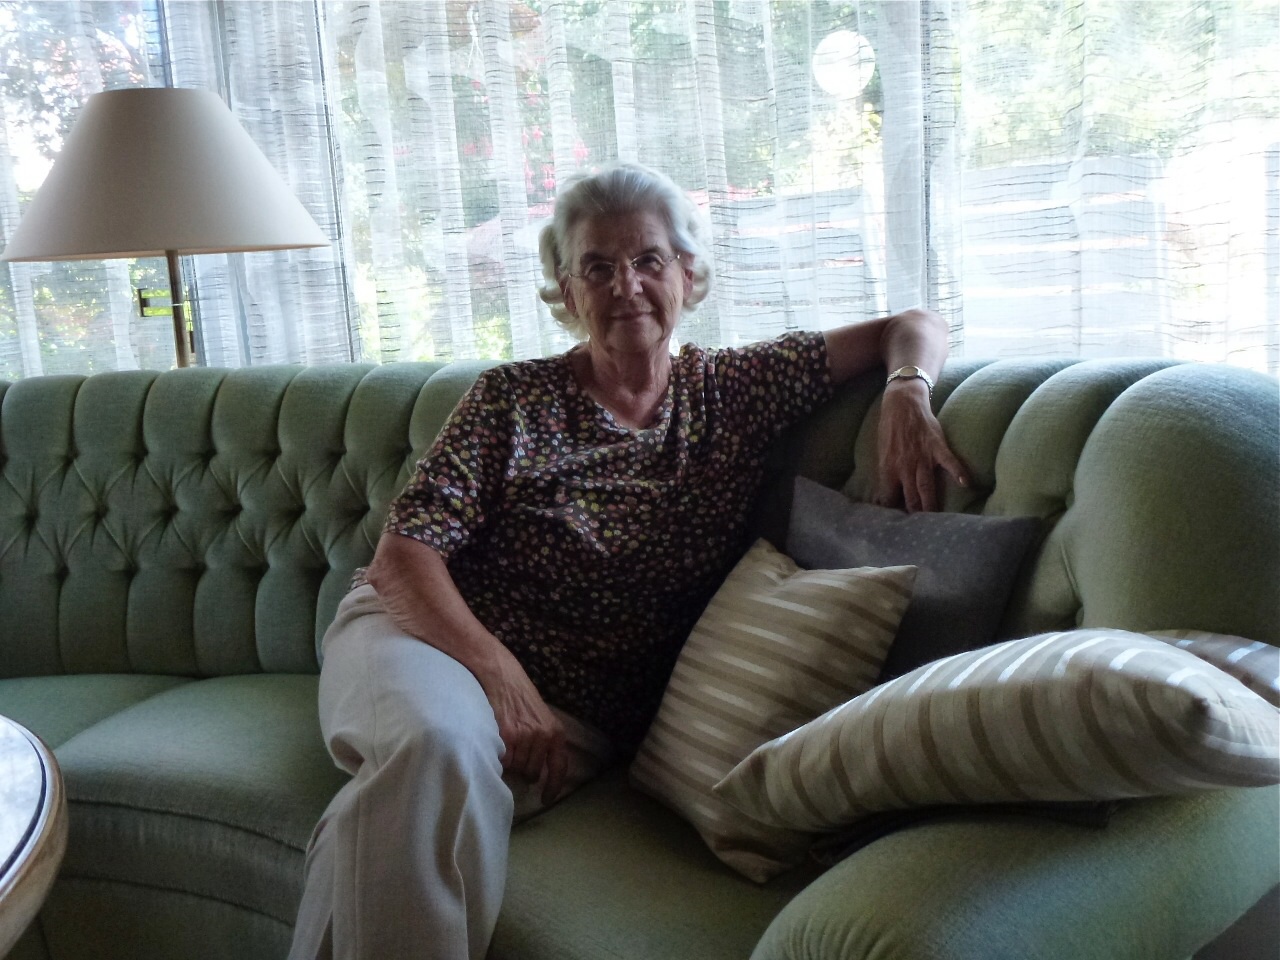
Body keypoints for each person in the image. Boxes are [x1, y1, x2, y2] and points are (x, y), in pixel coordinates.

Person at [288, 162, 968, 960]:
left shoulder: (732, 391)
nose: (627, 287)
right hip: (424, 639)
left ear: (687, 273)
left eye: (649, 260)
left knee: (398, 816)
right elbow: (403, 558)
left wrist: (906, 390)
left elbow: (913, 324)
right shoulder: (512, 400)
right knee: (435, 749)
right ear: (567, 292)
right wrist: (502, 679)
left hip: (575, 722)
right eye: (598, 268)